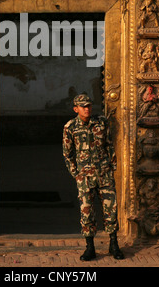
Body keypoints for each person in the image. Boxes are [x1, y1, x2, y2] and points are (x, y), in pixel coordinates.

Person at [62, 93, 124, 261]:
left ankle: (114, 244)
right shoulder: (70, 127)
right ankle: (90, 247)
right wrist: (76, 173)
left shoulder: (102, 122)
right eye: (83, 106)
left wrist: (112, 167)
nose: (87, 109)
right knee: (87, 211)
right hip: (85, 177)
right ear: (76, 109)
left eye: (89, 105)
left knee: (111, 210)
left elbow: (110, 145)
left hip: (104, 174)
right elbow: (68, 154)